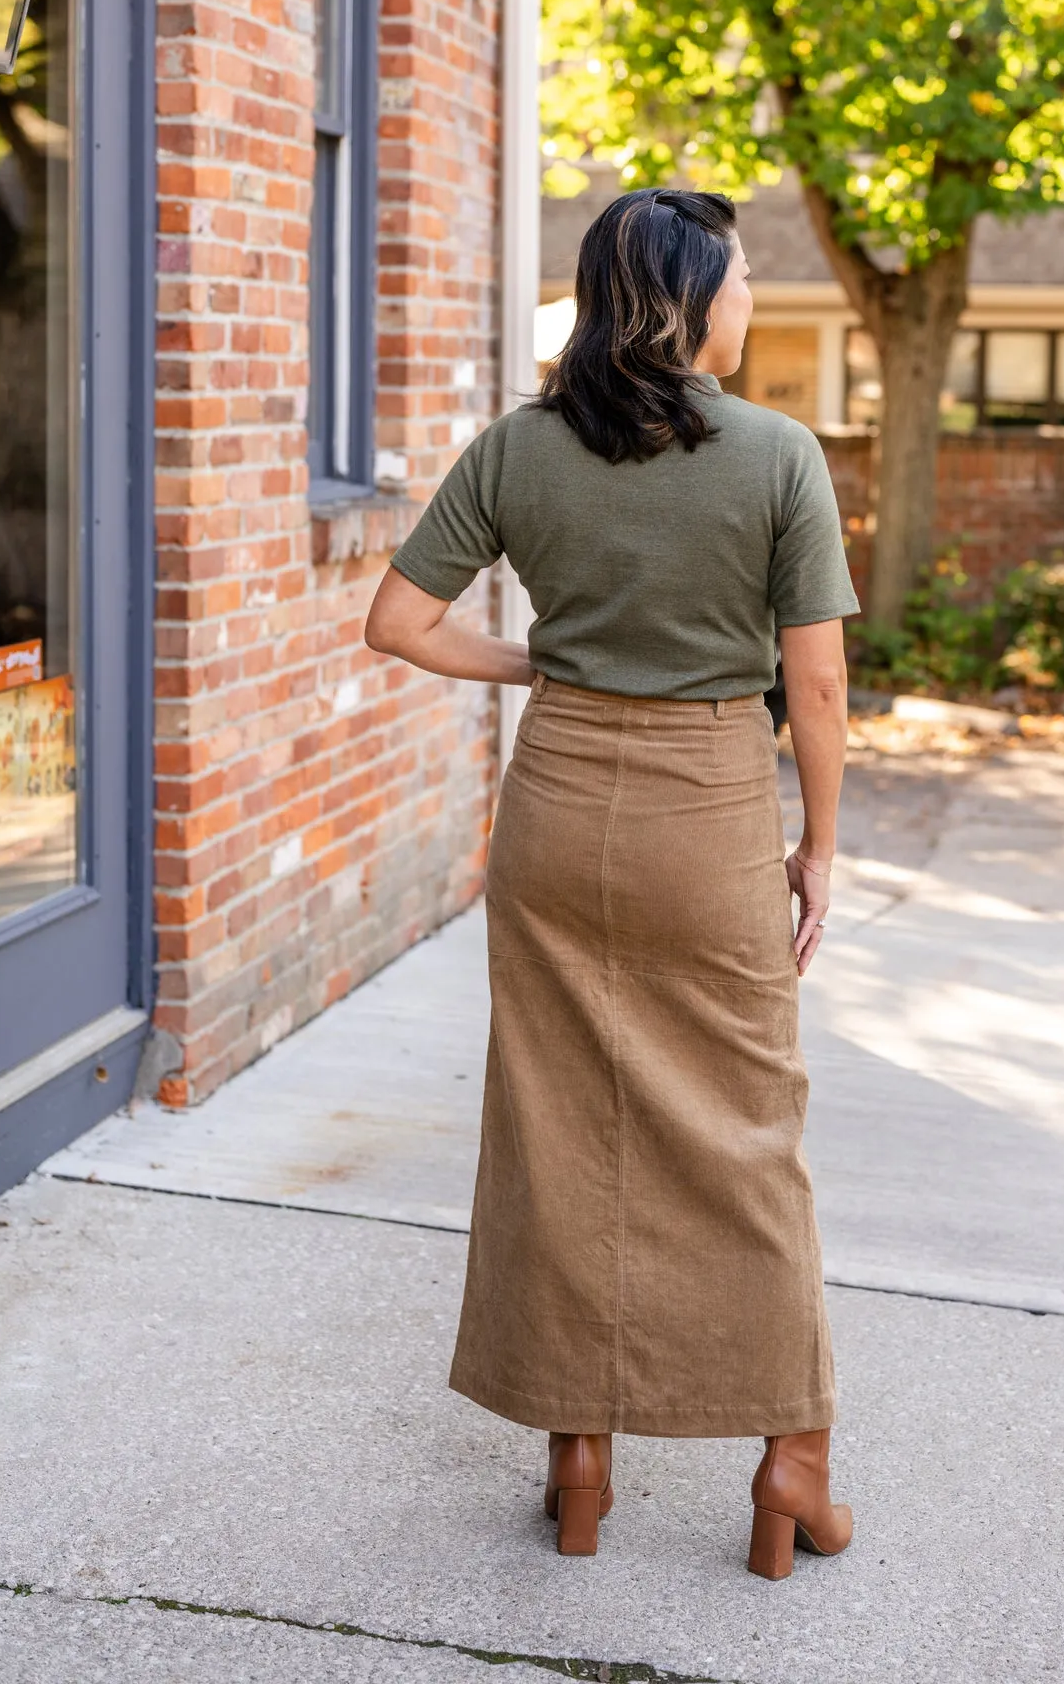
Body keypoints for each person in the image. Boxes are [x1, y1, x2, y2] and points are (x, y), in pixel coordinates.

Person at [364, 187, 856, 1580]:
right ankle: (791, 1469)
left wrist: (539, 670)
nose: (754, 302)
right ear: (692, 300)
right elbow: (812, 683)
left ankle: (579, 1463)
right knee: (747, 1131)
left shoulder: (520, 449)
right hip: (707, 811)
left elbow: (396, 623)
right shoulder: (778, 456)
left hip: (556, 802)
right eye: (745, 278)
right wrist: (818, 846)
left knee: (560, 1121)